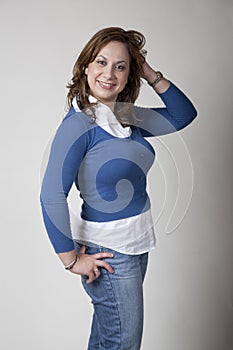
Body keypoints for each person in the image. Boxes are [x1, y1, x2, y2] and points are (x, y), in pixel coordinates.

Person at [40, 27, 197, 350]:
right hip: (111, 251)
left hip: (136, 244)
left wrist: (150, 73)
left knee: (108, 340)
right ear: (86, 66)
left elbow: (183, 115)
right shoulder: (79, 124)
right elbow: (51, 195)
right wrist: (71, 260)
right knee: (122, 344)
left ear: (130, 74)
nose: (108, 73)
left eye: (121, 66)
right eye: (101, 62)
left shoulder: (122, 116)